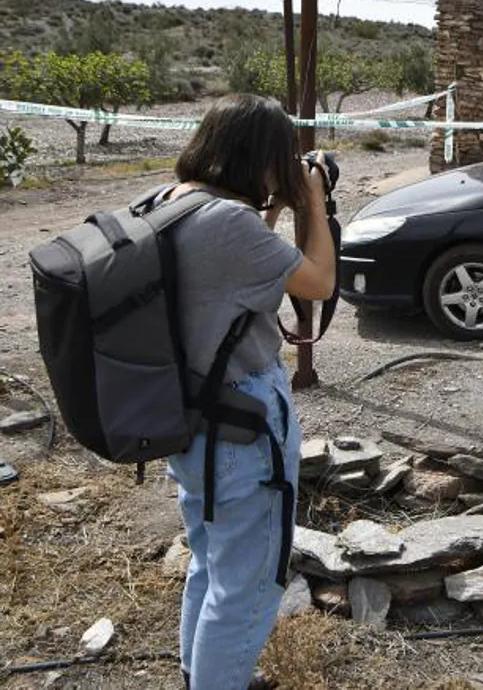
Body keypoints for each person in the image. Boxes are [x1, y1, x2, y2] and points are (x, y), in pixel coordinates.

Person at [161, 94, 335, 689]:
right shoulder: (228, 223)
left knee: (212, 560)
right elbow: (318, 281)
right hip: (240, 425)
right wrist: (311, 196)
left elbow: (240, 269)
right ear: (257, 156)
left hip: (192, 416)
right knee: (250, 583)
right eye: (280, 157)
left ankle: (200, 675)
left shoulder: (176, 202)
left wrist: (275, 208)